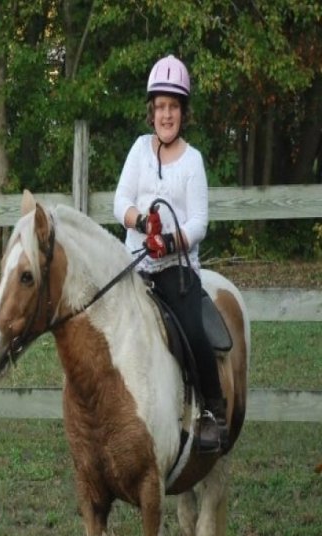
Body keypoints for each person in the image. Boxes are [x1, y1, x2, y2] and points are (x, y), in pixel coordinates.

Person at [113, 54, 227, 453]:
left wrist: (171, 240)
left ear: (183, 113)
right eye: (160, 106)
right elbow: (119, 202)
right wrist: (143, 223)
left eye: (173, 107)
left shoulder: (192, 161)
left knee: (194, 332)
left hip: (175, 271)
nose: (166, 114)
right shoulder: (139, 150)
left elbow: (199, 223)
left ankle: (213, 411)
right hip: (136, 268)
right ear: (152, 112)